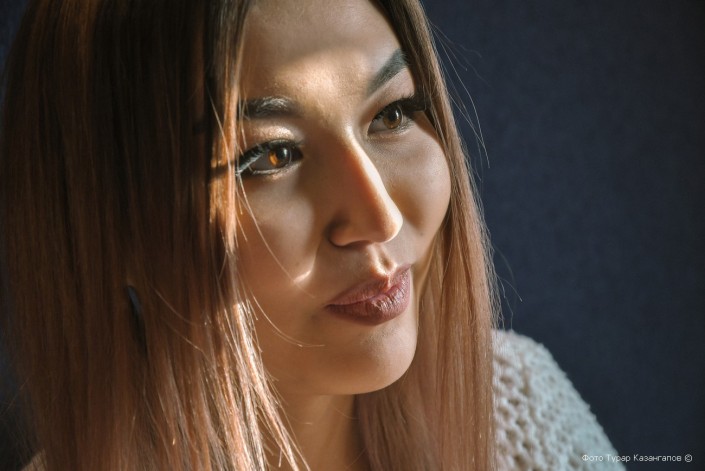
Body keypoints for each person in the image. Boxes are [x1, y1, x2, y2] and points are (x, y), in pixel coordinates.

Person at [0, 0, 621, 469]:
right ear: (110, 229)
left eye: (391, 114)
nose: (379, 217)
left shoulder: (516, 402)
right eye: (270, 156)